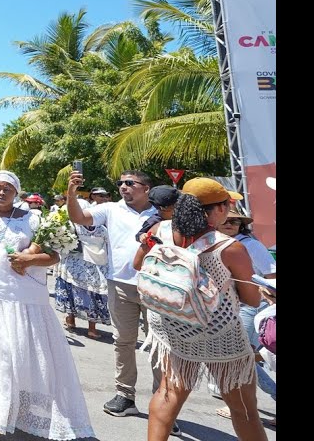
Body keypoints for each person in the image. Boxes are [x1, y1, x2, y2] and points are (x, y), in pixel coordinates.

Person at [0, 170, 95, 440]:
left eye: (7, 189)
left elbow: (54, 256)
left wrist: (29, 261)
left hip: (24, 300)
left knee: (20, 356)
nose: (1, 193)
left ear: (16, 192)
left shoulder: (34, 220)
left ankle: (19, 410)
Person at [133, 182, 268, 441]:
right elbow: (251, 299)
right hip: (220, 332)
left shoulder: (159, 230)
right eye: (228, 204)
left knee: (167, 394)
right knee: (243, 408)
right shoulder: (228, 247)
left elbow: (138, 264)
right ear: (219, 208)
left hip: (172, 325)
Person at [64, 169, 161, 418]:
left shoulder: (162, 211)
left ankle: (163, 404)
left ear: (146, 188)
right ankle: (125, 395)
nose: (123, 187)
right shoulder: (110, 209)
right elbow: (78, 218)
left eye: (130, 183)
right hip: (120, 284)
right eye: (120, 183)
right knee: (123, 341)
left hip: (158, 287)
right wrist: (72, 194)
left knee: (160, 346)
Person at [213, 204, 277, 416]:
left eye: (236, 221)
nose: (231, 224)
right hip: (231, 307)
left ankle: (242, 403)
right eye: (226, 220)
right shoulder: (217, 242)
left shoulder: (250, 245)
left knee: (243, 358)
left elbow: (271, 275)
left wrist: (272, 300)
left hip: (253, 307)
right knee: (244, 358)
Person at [55, 188, 111, 340]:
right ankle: (92, 329)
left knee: (72, 292)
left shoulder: (71, 227)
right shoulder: (102, 228)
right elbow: (108, 247)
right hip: (96, 267)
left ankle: (70, 320)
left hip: (74, 266)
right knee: (93, 295)